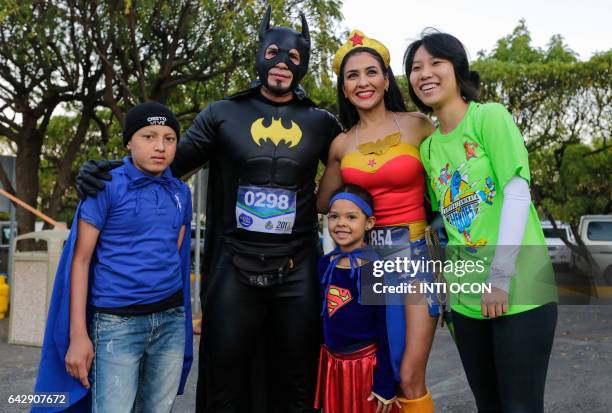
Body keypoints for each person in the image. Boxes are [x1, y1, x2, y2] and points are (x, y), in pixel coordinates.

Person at [75, 6, 342, 413]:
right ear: (259, 53)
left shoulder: (322, 122)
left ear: (303, 64)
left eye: (293, 57)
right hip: (234, 264)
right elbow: (165, 162)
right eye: (273, 52)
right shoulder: (222, 114)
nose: (282, 64)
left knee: (299, 375)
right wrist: (108, 168)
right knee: (224, 377)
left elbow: (358, 169)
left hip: (297, 265)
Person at [405, 31, 558, 412]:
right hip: (465, 299)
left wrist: (500, 276)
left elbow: (517, 193)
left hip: (519, 290)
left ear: (457, 69)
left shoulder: (489, 117)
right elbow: (446, 222)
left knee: (519, 407)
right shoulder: (428, 147)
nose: (425, 73)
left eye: (435, 63)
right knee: (487, 405)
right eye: (415, 68)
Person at [33, 102, 193, 412]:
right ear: (129, 141)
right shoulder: (105, 186)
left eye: (169, 138)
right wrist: (78, 334)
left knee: (158, 408)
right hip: (117, 324)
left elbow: (175, 251)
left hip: (170, 321)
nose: (160, 146)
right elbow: (80, 261)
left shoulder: (181, 192)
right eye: (148, 136)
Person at [317, 30, 438, 412]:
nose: (363, 82)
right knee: (373, 375)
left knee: (408, 376)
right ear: (344, 87)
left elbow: (450, 181)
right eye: (352, 76)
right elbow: (322, 203)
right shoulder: (341, 144)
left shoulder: (419, 125)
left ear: (386, 79)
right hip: (366, 266)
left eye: (371, 72)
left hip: (416, 258)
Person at [315, 184, 400, 413]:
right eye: (334, 216)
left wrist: (384, 381)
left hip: (364, 368)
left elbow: (385, 330)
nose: (341, 223)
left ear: (369, 223)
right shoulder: (325, 264)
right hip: (333, 364)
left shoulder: (372, 269)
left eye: (351, 217)